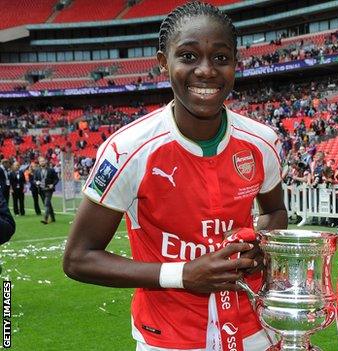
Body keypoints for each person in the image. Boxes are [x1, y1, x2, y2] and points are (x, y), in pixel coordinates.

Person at [62, 3, 287, 351]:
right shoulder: (128, 150)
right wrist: (183, 274)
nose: (206, 71)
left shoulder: (263, 141)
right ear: (163, 62)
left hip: (253, 331)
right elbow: (79, 258)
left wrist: (260, 247)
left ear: (235, 64)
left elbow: (275, 212)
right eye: (188, 56)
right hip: (167, 338)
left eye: (221, 58)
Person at [35, 157, 59, 224]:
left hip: (49, 189)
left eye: (43, 161)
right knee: (48, 204)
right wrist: (36, 182)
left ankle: (45, 219)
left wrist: (53, 184)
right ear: (39, 163)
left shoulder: (51, 170)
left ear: (45, 161)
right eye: (41, 161)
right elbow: (34, 179)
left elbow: (56, 179)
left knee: (46, 203)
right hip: (41, 189)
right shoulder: (37, 171)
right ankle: (53, 218)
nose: (42, 162)